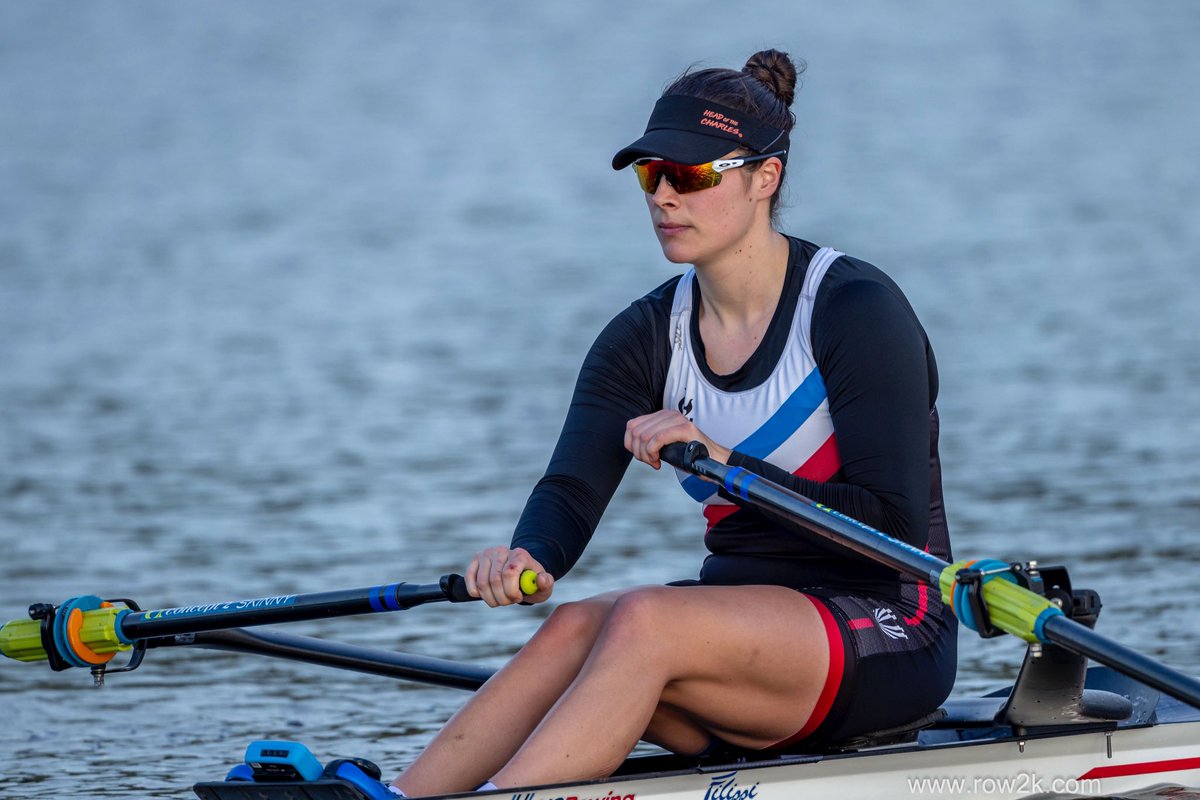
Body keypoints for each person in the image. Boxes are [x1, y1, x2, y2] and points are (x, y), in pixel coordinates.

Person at [389, 48, 956, 797]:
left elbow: (891, 524)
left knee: (646, 620)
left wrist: (726, 462)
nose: (664, 197)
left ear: (765, 179)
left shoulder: (855, 311)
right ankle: (401, 796)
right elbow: (569, 487)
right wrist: (528, 560)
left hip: (888, 629)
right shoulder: (645, 335)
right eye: (651, 174)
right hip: (739, 647)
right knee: (573, 626)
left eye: (690, 176)